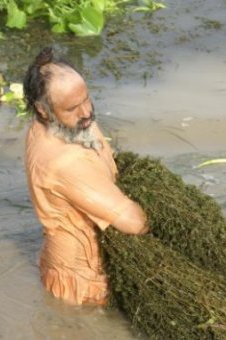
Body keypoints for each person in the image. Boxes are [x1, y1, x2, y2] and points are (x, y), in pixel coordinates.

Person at [22, 47, 149, 305]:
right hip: (80, 282)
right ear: (43, 110)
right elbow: (134, 223)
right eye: (72, 108)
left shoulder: (58, 124)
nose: (86, 112)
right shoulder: (65, 162)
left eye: (86, 99)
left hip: (63, 261)